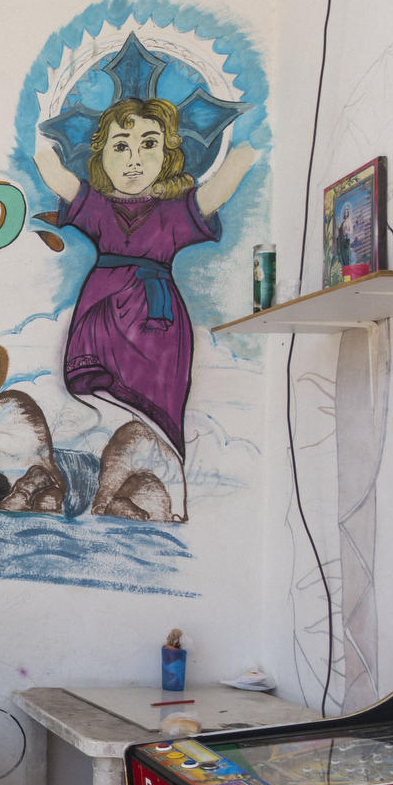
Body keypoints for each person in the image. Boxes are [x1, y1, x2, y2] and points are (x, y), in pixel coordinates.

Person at [34, 97, 256, 510]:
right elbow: (54, 173)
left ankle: (159, 477)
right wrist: (40, 133)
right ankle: (109, 468)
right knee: (99, 391)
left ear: (168, 154)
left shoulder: (175, 212)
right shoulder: (99, 207)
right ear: (101, 156)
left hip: (157, 327)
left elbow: (223, 183)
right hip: (100, 317)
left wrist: (246, 150)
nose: (134, 160)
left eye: (148, 144)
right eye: (121, 146)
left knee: (154, 406)